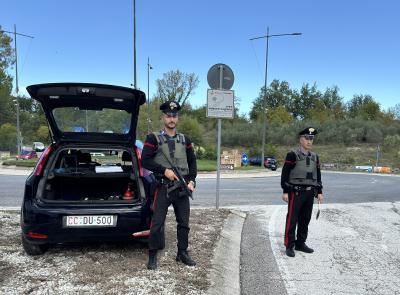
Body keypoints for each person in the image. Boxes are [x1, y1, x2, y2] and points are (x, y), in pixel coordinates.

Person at [141, 100, 197, 270]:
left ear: (177, 118)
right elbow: (145, 160)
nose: (171, 118)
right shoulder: (153, 138)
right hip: (163, 187)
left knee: (184, 222)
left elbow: (192, 162)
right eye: (168, 116)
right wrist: (163, 171)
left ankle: (182, 252)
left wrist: (192, 181)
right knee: (157, 223)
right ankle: (152, 255)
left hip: (181, 188)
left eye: (174, 116)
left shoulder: (185, 140)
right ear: (163, 118)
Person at [281, 127, 323, 257]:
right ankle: (289, 245)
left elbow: (318, 175)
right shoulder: (292, 155)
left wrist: (319, 191)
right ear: (300, 140)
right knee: (292, 219)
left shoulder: (315, 157)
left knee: (305, 219)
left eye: (311, 139)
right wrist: (285, 191)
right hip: (296, 192)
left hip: (309, 193)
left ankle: (300, 243)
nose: (309, 141)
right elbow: (285, 174)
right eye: (307, 138)